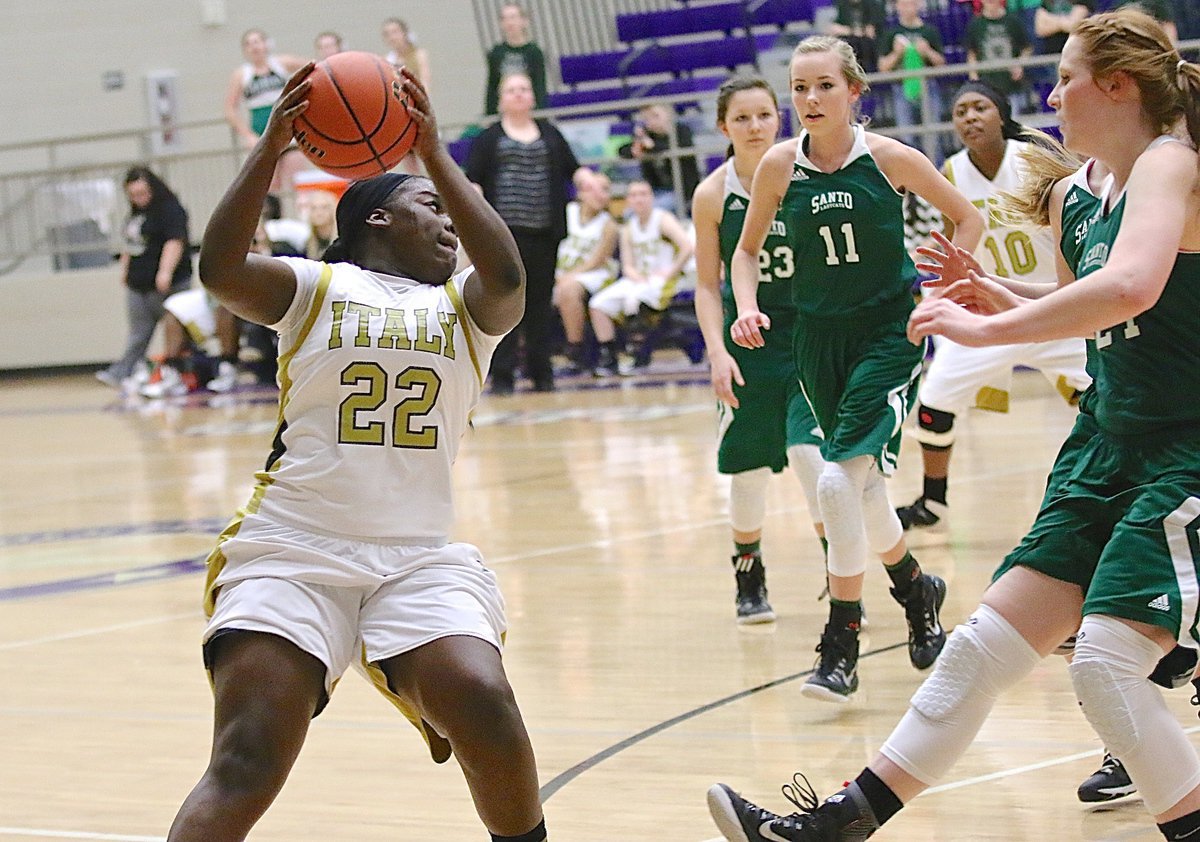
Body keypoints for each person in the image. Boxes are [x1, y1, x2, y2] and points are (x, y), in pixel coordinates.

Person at [709, 10, 1200, 841]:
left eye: (1066, 78)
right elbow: (1094, 310)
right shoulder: (1086, 191)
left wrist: (985, 329)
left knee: (1108, 665)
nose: (1051, 95)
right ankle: (838, 826)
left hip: (1185, 450)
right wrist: (999, 297)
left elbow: (1130, 289)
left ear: (1118, 86)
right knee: (979, 648)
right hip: (1108, 444)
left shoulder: (1169, 160)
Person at [166, 64, 548, 842]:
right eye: (430, 206)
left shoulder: (466, 309)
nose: (450, 223)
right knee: (247, 759)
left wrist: (435, 154)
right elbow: (220, 270)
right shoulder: (316, 288)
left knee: (485, 704)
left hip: (415, 558)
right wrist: (271, 148)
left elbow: (509, 273)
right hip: (292, 551)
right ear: (378, 218)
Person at [725, 35, 983, 702]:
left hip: (887, 337)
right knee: (863, 489)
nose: (810, 99)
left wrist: (939, 295)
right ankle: (916, 589)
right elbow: (746, 253)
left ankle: (841, 641)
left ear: (854, 91)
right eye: (799, 87)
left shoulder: (890, 157)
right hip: (817, 342)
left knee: (837, 483)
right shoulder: (779, 165)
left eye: (824, 86)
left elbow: (967, 220)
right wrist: (747, 307)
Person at [894, 81, 1090, 530]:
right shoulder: (951, 170)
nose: (969, 117)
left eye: (979, 107)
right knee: (934, 399)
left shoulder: (1037, 160)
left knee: (1106, 393)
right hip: (988, 313)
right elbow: (950, 244)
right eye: (960, 110)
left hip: (1052, 306)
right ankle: (932, 501)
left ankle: (1121, 481)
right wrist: (936, 295)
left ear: (1001, 114)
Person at [692, 75, 828, 623]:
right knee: (747, 469)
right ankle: (748, 576)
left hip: (808, 337)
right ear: (723, 127)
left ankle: (840, 573)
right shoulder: (712, 194)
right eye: (741, 118)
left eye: (764, 115)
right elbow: (708, 285)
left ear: (780, 119)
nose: (754, 127)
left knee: (812, 457)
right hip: (747, 343)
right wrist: (716, 353)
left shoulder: (807, 174)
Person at [465, 71, 595, 394]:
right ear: (501, 99)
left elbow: (573, 168)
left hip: (544, 233)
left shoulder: (550, 133)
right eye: (512, 90)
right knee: (504, 302)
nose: (519, 94)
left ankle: (542, 374)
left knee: (539, 303)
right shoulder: (489, 137)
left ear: (533, 97)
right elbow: (473, 179)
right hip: (503, 236)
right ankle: (503, 375)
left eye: (524, 88)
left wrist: (587, 180)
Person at [96, 167, 193, 391]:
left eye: (142, 194)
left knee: (177, 330)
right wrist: (125, 270)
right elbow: (130, 244)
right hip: (139, 284)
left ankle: (178, 372)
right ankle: (124, 371)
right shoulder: (136, 215)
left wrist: (165, 271)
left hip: (169, 284)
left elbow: (174, 241)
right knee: (138, 333)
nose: (138, 199)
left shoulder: (170, 210)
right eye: (133, 195)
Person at [588, 180, 694, 378]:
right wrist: (635, 276)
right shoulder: (628, 227)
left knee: (634, 300)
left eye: (643, 194)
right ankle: (609, 356)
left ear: (652, 198)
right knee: (598, 304)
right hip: (638, 280)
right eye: (634, 195)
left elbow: (687, 247)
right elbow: (627, 265)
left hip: (665, 280)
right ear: (628, 200)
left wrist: (671, 271)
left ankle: (638, 353)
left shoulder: (663, 220)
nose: (639, 199)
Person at [223, 29, 309, 195]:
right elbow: (230, 109)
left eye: (257, 41)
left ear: (266, 44)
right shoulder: (241, 74)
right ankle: (273, 213)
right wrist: (247, 135)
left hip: (289, 133)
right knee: (268, 189)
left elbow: (313, 67)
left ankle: (304, 210)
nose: (254, 47)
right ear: (245, 50)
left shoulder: (282, 63)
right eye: (249, 43)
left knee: (298, 181)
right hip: (262, 136)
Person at [552, 172, 619, 375]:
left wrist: (567, 276)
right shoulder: (567, 212)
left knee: (568, 290)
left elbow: (597, 261)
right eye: (593, 189)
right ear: (580, 193)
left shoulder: (609, 225)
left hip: (596, 273)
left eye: (605, 190)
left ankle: (575, 351)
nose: (599, 194)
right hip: (562, 271)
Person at [877, 0, 947, 148]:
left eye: (911, 3)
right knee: (906, 135)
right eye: (904, 4)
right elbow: (883, 67)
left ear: (918, 4)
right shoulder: (891, 33)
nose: (908, 8)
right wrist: (897, 54)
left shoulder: (930, 31)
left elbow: (941, 64)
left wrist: (927, 51)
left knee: (933, 136)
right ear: (897, 7)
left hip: (928, 86)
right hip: (901, 88)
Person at [618, 103, 702, 215]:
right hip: (655, 191)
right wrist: (636, 145)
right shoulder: (647, 135)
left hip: (682, 191)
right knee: (629, 213)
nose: (651, 121)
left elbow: (679, 147)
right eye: (646, 118)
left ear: (668, 115)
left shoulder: (681, 131)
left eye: (655, 116)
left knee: (647, 210)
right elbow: (623, 151)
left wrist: (652, 146)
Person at [966, 0, 1034, 116]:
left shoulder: (1013, 21)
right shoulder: (975, 25)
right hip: (986, 87)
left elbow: (1027, 47)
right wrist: (974, 78)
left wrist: (1020, 64)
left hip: (1011, 85)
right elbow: (972, 53)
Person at [484, 3, 547, 116]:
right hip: (504, 111)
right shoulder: (496, 53)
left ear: (524, 21)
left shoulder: (534, 52)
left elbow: (539, 85)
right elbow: (492, 86)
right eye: (505, 19)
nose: (509, 23)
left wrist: (540, 113)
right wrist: (490, 114)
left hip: (529, 110)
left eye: (513, 17)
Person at [828, 0, 886, 71]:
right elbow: (834, 28)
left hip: (867, 44)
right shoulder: (842, 5)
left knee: (865, 44)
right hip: (849, 41)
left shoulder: (873, 5)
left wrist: (853, 31)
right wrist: (853, 31)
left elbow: (871, 31)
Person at [381, 18, 432, 90]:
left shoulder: (419, 55)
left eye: (395, 32)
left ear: (404, 33)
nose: (392, 37)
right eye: (387, 34)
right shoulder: (385, 60)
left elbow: (425, 81)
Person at [302, 188, 338, 259]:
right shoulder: (307, 245)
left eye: (324, 207)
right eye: (314, 208)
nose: (319, 213)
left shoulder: (342, 243)